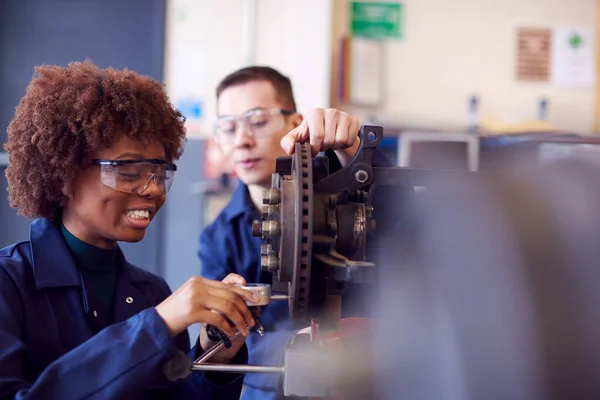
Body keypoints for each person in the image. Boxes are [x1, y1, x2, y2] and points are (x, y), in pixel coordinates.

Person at [0, 60, 261, 399]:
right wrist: (156, 327)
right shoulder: (9, 286)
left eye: (160, 172)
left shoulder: (151, 292)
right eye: (129, 170)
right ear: (65, 172)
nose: (153, 189)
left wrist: (217, 352)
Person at [197, 66, 394, 399]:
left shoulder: (340, 183)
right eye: (227, 128)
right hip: (272, 383)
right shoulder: (218, 238)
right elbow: (222, 351)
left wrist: (353, 150)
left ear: (294, 122)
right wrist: (297, 342)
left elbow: (401, 219)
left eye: (257, 121)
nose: (241, 141)